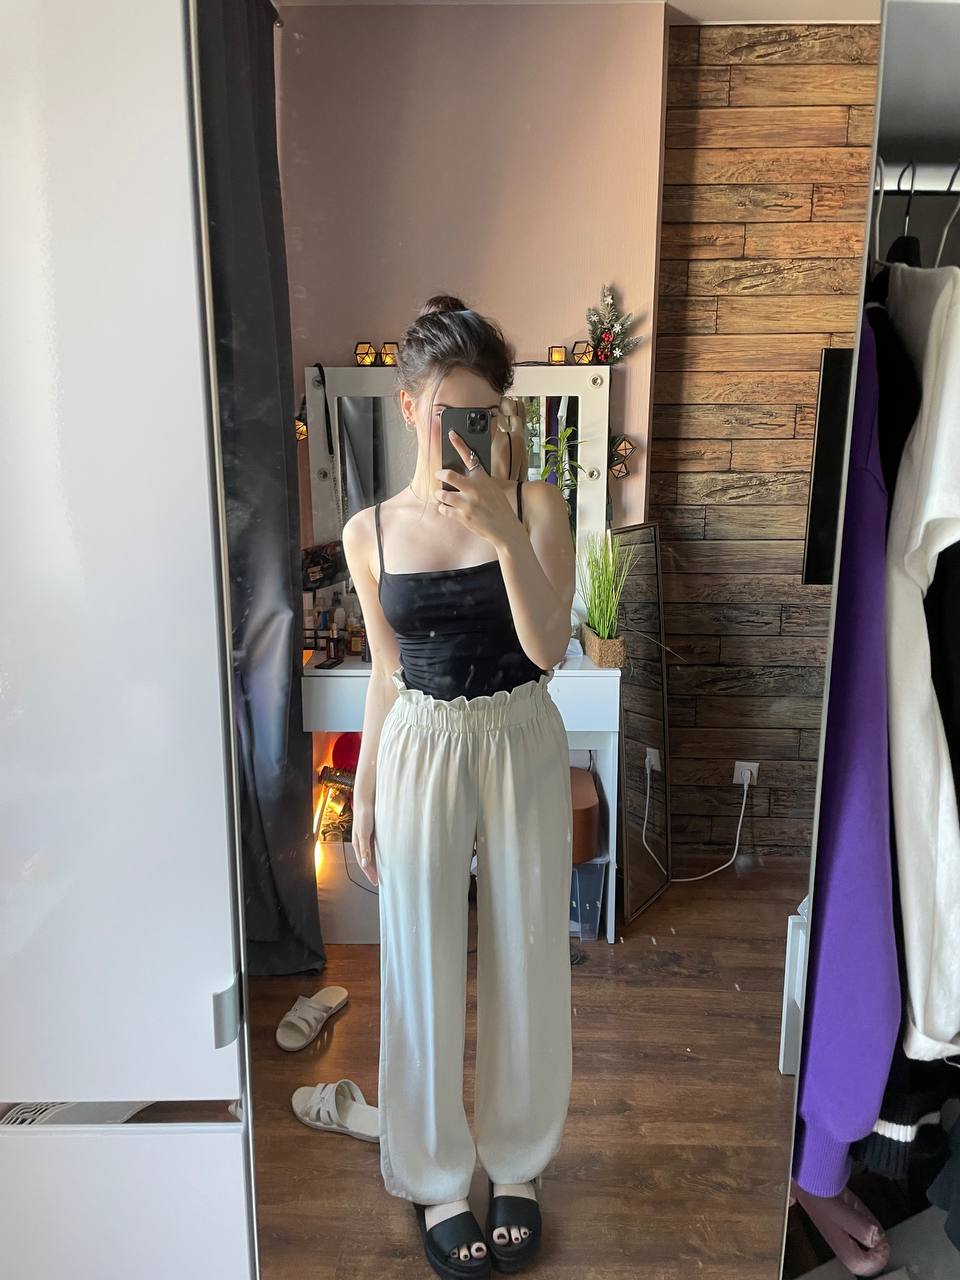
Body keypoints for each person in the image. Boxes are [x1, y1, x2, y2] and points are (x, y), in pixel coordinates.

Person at [342, 294, 576, 1278]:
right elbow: (385, 671)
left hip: (521, 734)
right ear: (408, 407)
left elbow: (549, 647)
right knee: (420, 962)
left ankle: (517, 1163)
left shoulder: (537, 506)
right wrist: (363, 791)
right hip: (421, 745)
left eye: (483, 415)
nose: (463, 433)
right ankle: (437, 1175)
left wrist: (507, 530)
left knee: (528, 951)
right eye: (447, 414)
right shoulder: (369, 532)